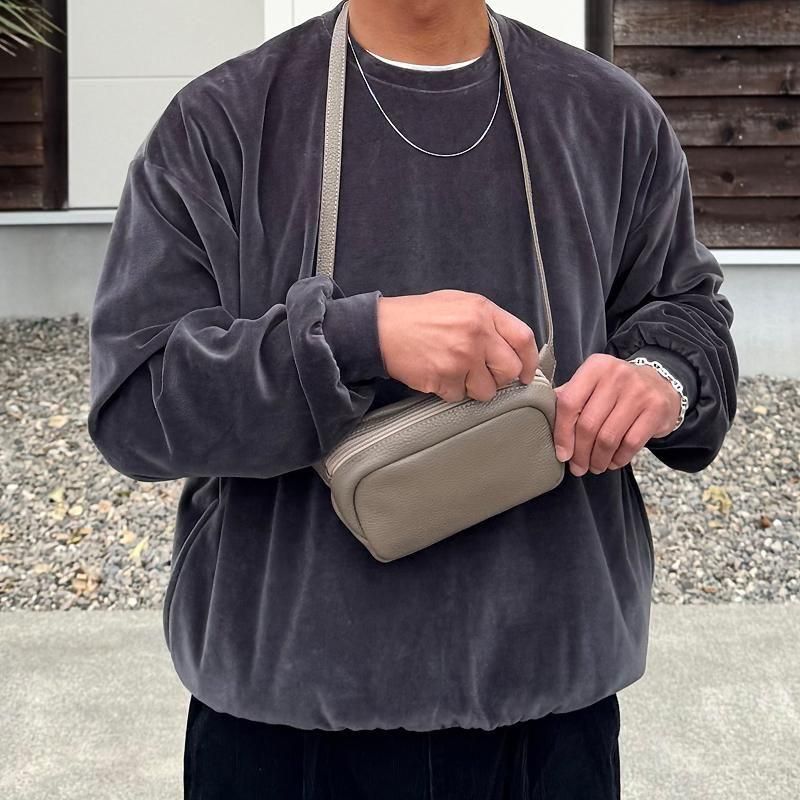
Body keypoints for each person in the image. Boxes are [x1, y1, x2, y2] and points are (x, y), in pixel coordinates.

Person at [86, 0, 739, 797]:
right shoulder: (221, 121)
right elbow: (138, 401)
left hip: (550, 705)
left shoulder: (606, 113)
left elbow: (685, 309)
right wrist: (358, 340)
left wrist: (662, 378)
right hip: (285, 713)